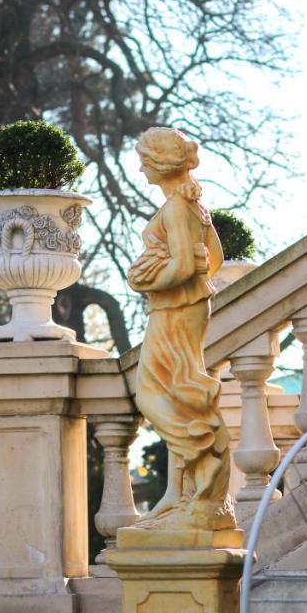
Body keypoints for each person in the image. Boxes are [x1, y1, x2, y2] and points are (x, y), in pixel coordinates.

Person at [127, 127, 234, 531]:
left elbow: (188, 267)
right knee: (182, 391)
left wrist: (147, 280)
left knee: (154, 394)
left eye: (144, 161)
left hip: (175, 307)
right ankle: (180, 492)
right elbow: (216, 258)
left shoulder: (175, 208)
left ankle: (202, 467)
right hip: (189, 306)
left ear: (159, 164)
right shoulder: (193, 205)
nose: (140, 168)